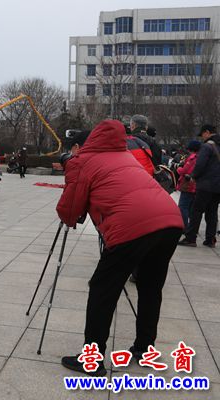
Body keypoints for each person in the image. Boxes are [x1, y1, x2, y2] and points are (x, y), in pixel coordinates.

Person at [56, 120, 183, 376]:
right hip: (170, 221)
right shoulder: (126, 156)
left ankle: (92, 360)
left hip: (132, 227)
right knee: (150, 287)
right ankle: (144, 348)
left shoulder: (83, 161)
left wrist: (72, 212)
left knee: (102, 288)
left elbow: (69, 211)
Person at [179, 125, 220, 248]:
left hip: (205, 185)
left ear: (207, 132)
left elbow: (200, 164)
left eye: (202, 135)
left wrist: (193, 176)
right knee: (212, 212)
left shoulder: (207, 147)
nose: (202, 138)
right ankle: (210, 239)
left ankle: (191, 238)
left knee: (196, 211)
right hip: (218, 186)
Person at [176, 140, 201, 230]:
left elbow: (184, 171)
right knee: (191, 208)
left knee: (183, 207)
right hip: (196, 185)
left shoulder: (192, 158)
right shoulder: (201, 157)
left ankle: (185, 227)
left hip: (188, 185)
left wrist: (178, 168)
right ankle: (192, 228)